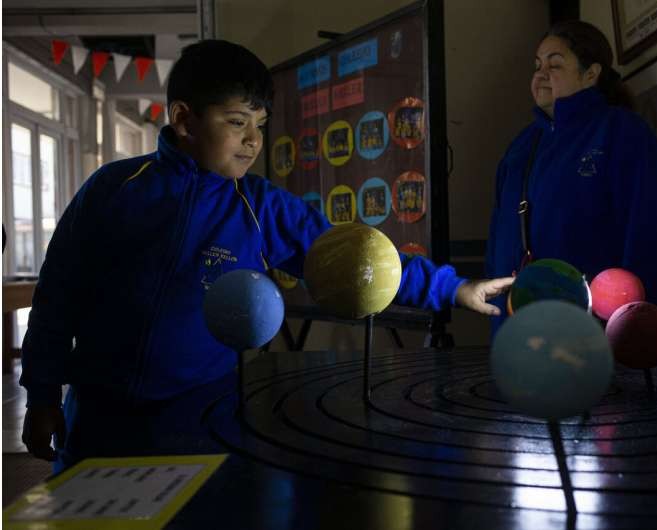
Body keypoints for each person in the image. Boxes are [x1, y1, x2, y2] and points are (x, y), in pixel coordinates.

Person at [20, 40, 513, 473]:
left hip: (203, 417)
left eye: (259, 124)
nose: (253, 139)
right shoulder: (113, 189)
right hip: (98, 420)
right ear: (184, 119)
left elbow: (356, 260)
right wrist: (42, 393)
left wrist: (453, 287)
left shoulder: (262, 207)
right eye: (236, 123)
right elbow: (58, 294)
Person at [486, 20, 657, 335]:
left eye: (555, 64)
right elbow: (496, 238)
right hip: (516, 328)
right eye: (537, 65)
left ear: (591, 73)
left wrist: (633, 326)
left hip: (592, 330)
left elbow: (647, 232)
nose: (541, 73)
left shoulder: (623, 132)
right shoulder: (521, 145)